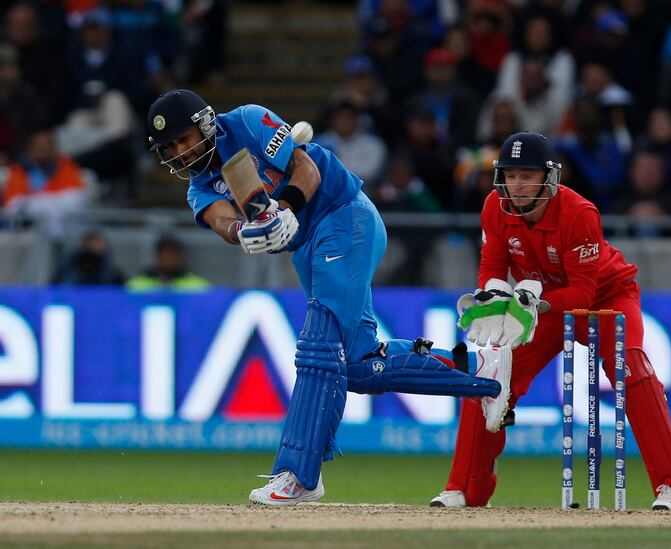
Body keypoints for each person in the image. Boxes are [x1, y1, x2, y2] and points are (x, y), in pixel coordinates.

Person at [145, 89, 513, 506]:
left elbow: (306, 169)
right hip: (307, 248)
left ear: (205, 124)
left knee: (319, 343)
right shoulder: (198, 188)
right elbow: (221, 220)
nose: (180, 151)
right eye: (171, 147)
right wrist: (246, 232)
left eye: (183, 138)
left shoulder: (246, 120)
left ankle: (298, 473)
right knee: (358, 365)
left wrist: (284, 206)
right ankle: (481, 371)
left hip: (343, 215)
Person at [429, 132, 671, 511]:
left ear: (548, 177)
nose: (517, 185)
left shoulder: (579, 212)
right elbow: (492, 267)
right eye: (511, 175)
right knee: (489, 375)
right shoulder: (494, 206)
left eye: (527, 176)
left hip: (604, 298)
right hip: (538, 305)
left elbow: (584, 294)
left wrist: (529, 302)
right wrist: (494, 301)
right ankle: (464, 488)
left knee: (631, 369)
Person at [126, 234, 211, 291]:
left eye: (172, 254)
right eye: (165, 254)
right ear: (157, 257)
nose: (169, 258)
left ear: (180, 257)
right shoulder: (138, 284)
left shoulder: (197, 285)